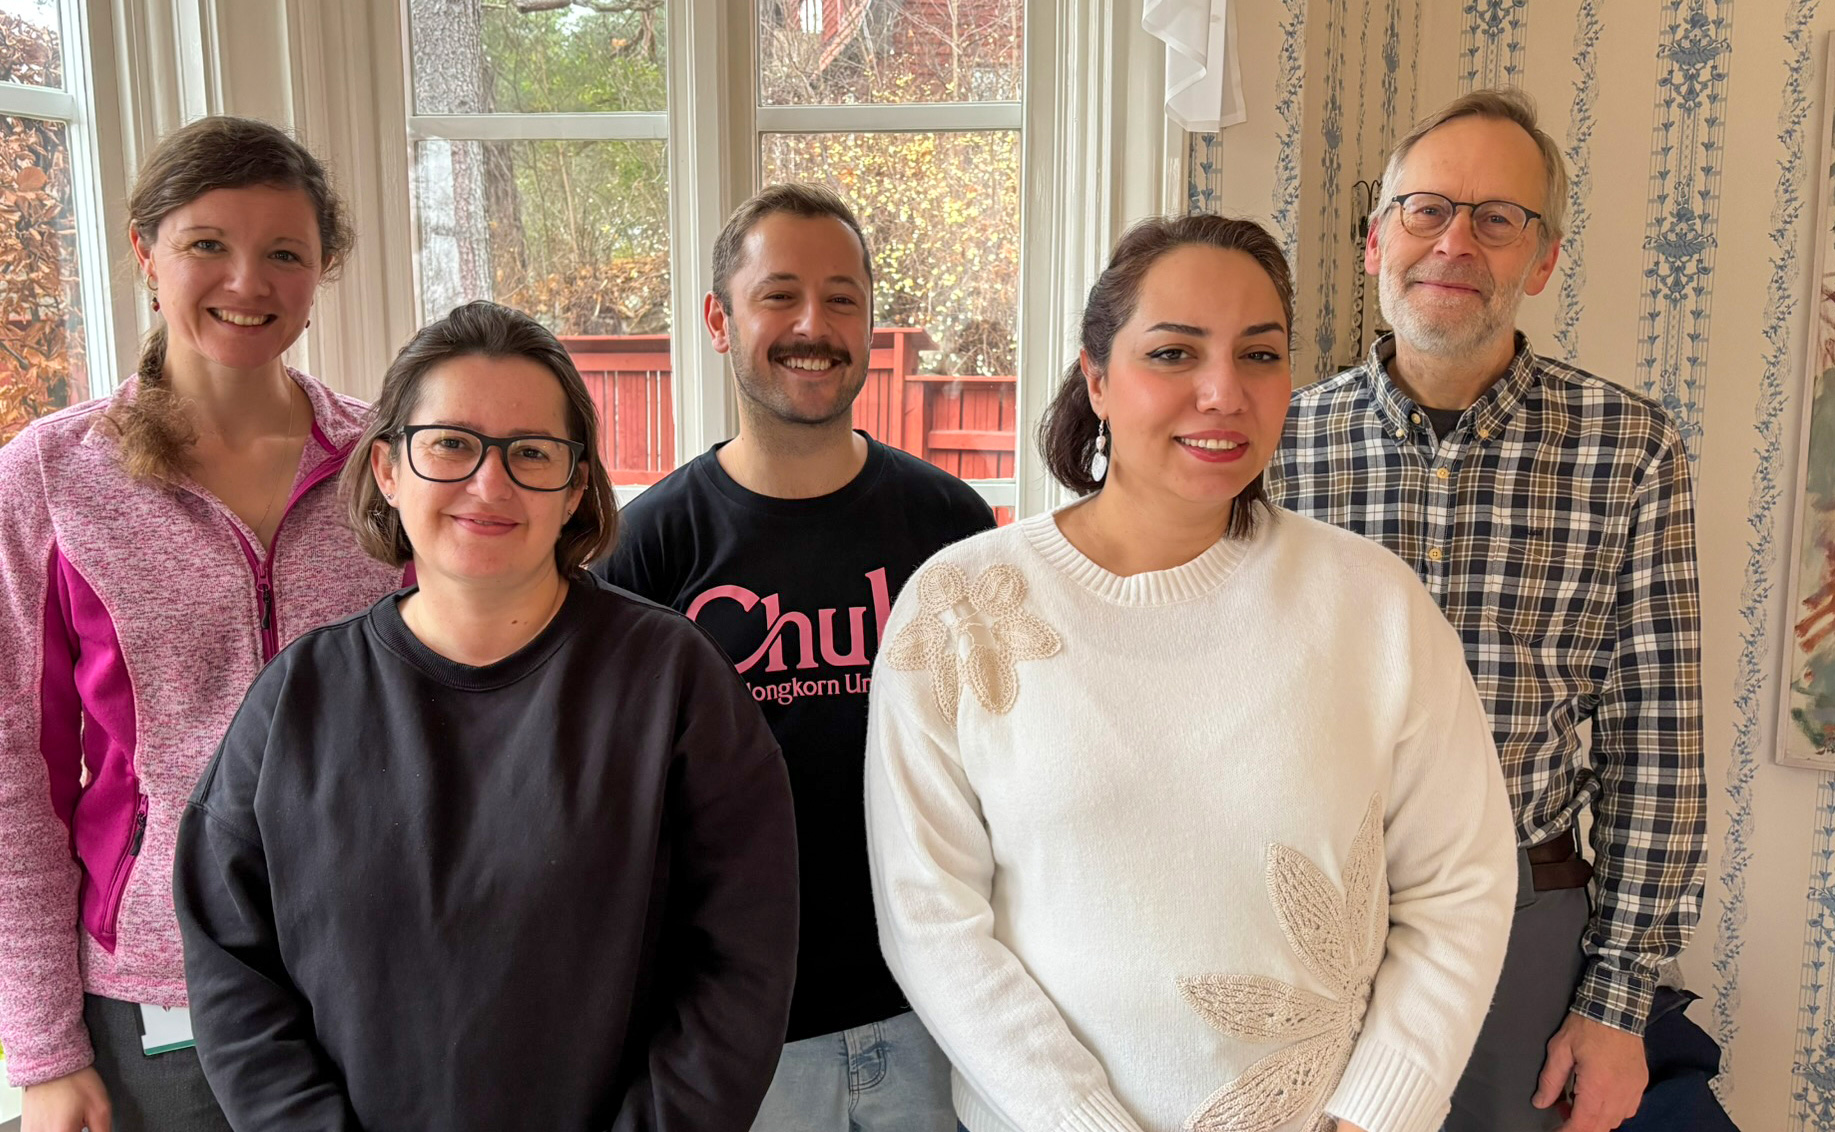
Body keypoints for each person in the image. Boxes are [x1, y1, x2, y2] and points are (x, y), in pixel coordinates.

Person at [865, 214, 1518, 1132]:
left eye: (1259, 356)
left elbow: (1460, 885)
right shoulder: (961, 606)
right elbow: (928, 916)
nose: (1222, 393)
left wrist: (1372, 1115)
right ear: (1096, 377)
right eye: (1172, 354)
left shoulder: (1373, 606)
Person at [173, 300, 800, 1131]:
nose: (489, 483)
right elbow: (231, 971)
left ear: (576, 487)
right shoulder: (298, 699)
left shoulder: (671, 680)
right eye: (450, 445)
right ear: (388, 468)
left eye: (532, 453)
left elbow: (741, 962)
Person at [1267, 88, 1705, 1132]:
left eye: (1496, 219)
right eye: (1426, 210)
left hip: (1524, 918)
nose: (1454, 242)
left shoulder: (1629, 449)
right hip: (1299, 904)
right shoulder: (1275, 441)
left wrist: (1616, 1006)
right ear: (1378, 239)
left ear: (1541, 261)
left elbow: (1657, 743)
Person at [0, 116, 403, 1132]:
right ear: (144, 252)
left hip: (372, 969)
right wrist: (43, 1050)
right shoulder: (49, 479)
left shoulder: (388, 463)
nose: (247, 283)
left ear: (319, 271)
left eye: (284, 253)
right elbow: (12, 774)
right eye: (208, 243)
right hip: (159, 996)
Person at [594, 182, 994, 1132]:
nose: (813, 324)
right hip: (742, 1037)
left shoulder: (953, 528)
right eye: (778, 294)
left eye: (843, 297)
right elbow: (617, 812)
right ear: (718, 319)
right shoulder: (649, 548)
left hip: (935, 1015)